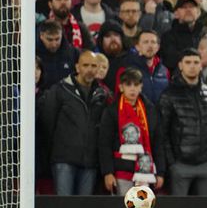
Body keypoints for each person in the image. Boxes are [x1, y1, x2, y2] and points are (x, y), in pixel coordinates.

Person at [38, 51, 112, 195]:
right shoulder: (60, 90)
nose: (90, 69)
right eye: (85, 65)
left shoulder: (103, 95)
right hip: (64, 159)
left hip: (90, 162)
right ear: (77, 67)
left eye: (93, 66)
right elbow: (48, 123)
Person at [159, 48, 207, 196]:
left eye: (196, 62)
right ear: (180, 65)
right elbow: (163, 133)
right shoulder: (168, 95)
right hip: (180, 165)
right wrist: (172, 163)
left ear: (201, 65)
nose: (192, 66)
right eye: (188, 62)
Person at [98, 67, 164, 196]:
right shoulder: (112, 111)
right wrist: (108, 172)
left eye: (136, 84)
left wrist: (160, 172)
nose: (132, 89)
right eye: (128, 85)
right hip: (121, 171)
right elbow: (104, 144)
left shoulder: (150, 110)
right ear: (121, 87)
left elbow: (158, 142)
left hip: (145, 171)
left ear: (141, 87)